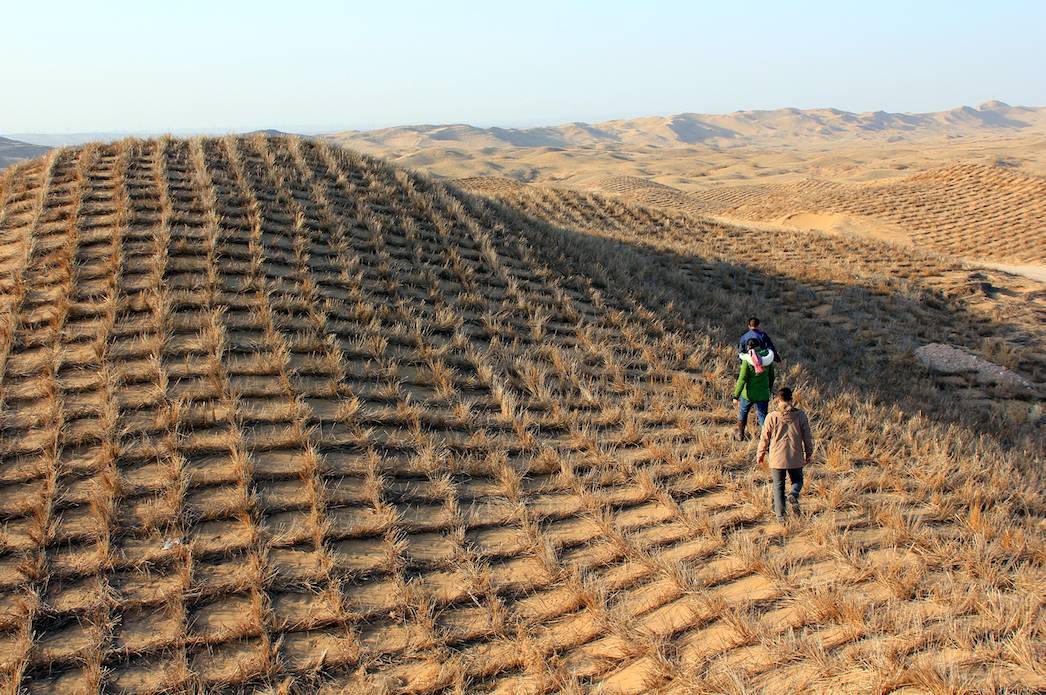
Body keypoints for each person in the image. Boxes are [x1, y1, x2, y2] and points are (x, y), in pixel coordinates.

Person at [757, 387, 814, 522]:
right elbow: (807, 437)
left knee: (778, 486)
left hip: (777, 458)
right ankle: (793, 494)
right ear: (792, 399)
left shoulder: (771, 417)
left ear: (778, 400)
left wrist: (760, 453)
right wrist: (809, 453)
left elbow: (764, 437)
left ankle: (781, 517)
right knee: (798, 481)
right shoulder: (800, 416)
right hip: (796, 456)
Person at [732, 338, 775, 440]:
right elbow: (772, 376)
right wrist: (769, 388)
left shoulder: (747, 360)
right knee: (763, 417)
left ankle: (740, 435)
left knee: (743, 413)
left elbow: (742, 379)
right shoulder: (767, 359)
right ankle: (767, 439)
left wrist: (736, 395)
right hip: (763, 394)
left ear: (748, 347)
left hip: (748, 394)